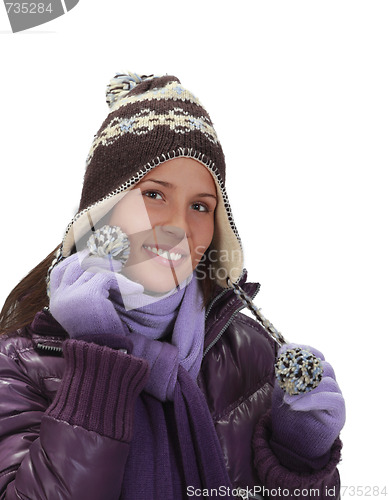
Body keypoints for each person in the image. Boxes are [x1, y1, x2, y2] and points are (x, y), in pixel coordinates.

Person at [0, 72, 345, 500]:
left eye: (200, 206)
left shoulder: (252, 358)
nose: (180, 227)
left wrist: (299, 458)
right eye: (155, 195)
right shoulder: (16, 368)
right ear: (103, 208)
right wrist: (98, 361)